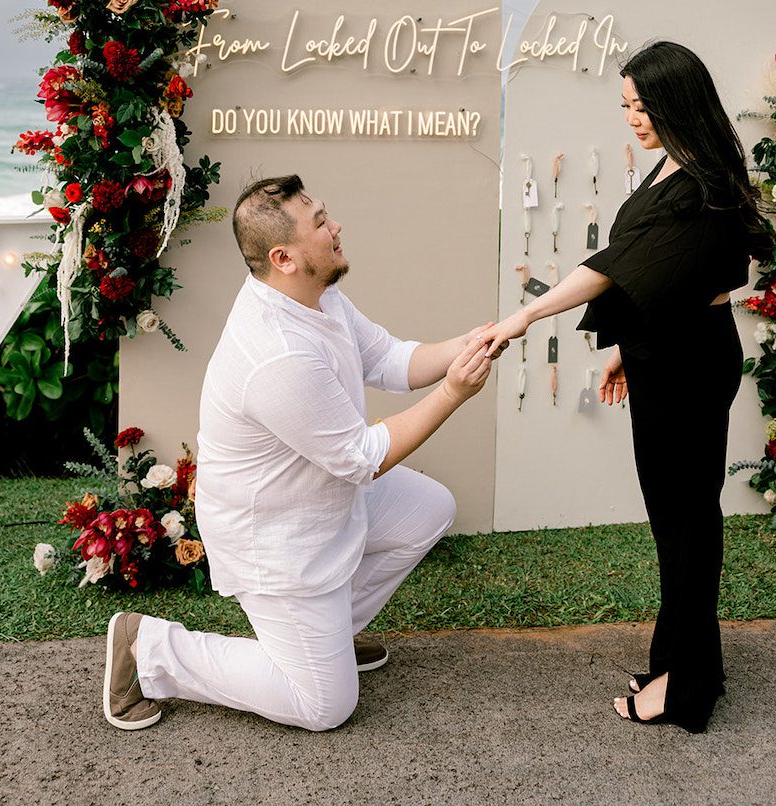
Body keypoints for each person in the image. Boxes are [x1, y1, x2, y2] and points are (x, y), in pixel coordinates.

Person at [103, 175, 493, 732]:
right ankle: (150, 649)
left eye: (326, 215)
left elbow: (389, 358)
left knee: (427, 509)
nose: (336, 228)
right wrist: (453, 392)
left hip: (321, 499)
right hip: (276, 540)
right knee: (325, 708)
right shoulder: (275, 353)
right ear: (284, 257)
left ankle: (326, 639)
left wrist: (470, 342)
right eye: (321, 224)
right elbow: (363, 458)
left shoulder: (317, 294)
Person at [486, 41, 771, 733]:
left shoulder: (702, 179)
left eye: (643, 105)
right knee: (679, 519)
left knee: (686, 525)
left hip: (689, 363)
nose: (633, 118)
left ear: (678, 101)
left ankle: (687, 688)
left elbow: (617, 264)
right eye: (625, 105)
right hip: (668, 352)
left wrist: (526, 312)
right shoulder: (675, 163)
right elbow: (665, 273)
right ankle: (681, 663)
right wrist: (626, 347)